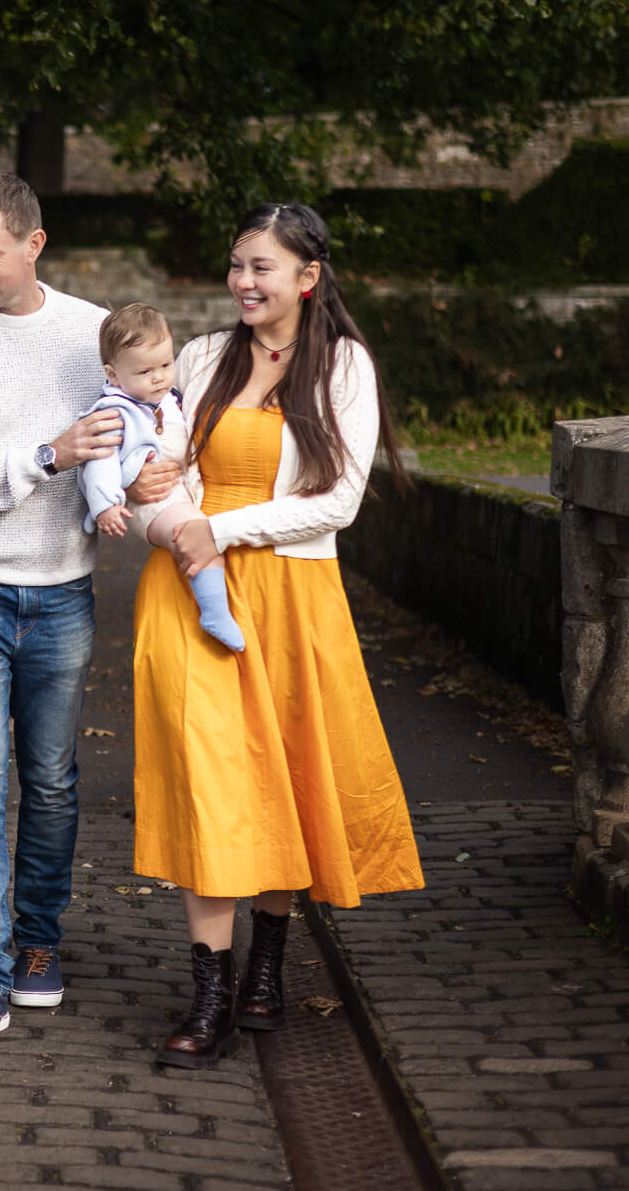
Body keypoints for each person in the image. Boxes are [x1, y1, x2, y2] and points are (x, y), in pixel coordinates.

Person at [133, 202, 424, 1069]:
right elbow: (161, 469)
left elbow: (338, 499)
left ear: (308, 276)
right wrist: (165, 508)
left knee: (280, 774)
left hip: (290, 593)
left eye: (261, 266)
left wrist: (218, 529)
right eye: (237, 264)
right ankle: (210, 994)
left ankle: (267, 960)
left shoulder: (343, 365)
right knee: (210, 781)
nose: (243, 281)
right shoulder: (200, 357)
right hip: (189, 591)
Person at [0, 172, 178, 1050]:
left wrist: (144, 479)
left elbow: (140, 429)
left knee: (52, 781)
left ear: (34, 244)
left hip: (61, 590)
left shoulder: (92, 334)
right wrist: (48, 456)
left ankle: (39, 942)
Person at [79, 303, 244, 654]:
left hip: (179, 489)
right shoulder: (115, 412)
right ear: (113, 374)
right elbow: (99, 461)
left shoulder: (169, 398)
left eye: (166, 365)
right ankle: (215, 614)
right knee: (198, 536)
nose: (158, 377)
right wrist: (105, 504)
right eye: (144, 371)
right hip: (157, 501)